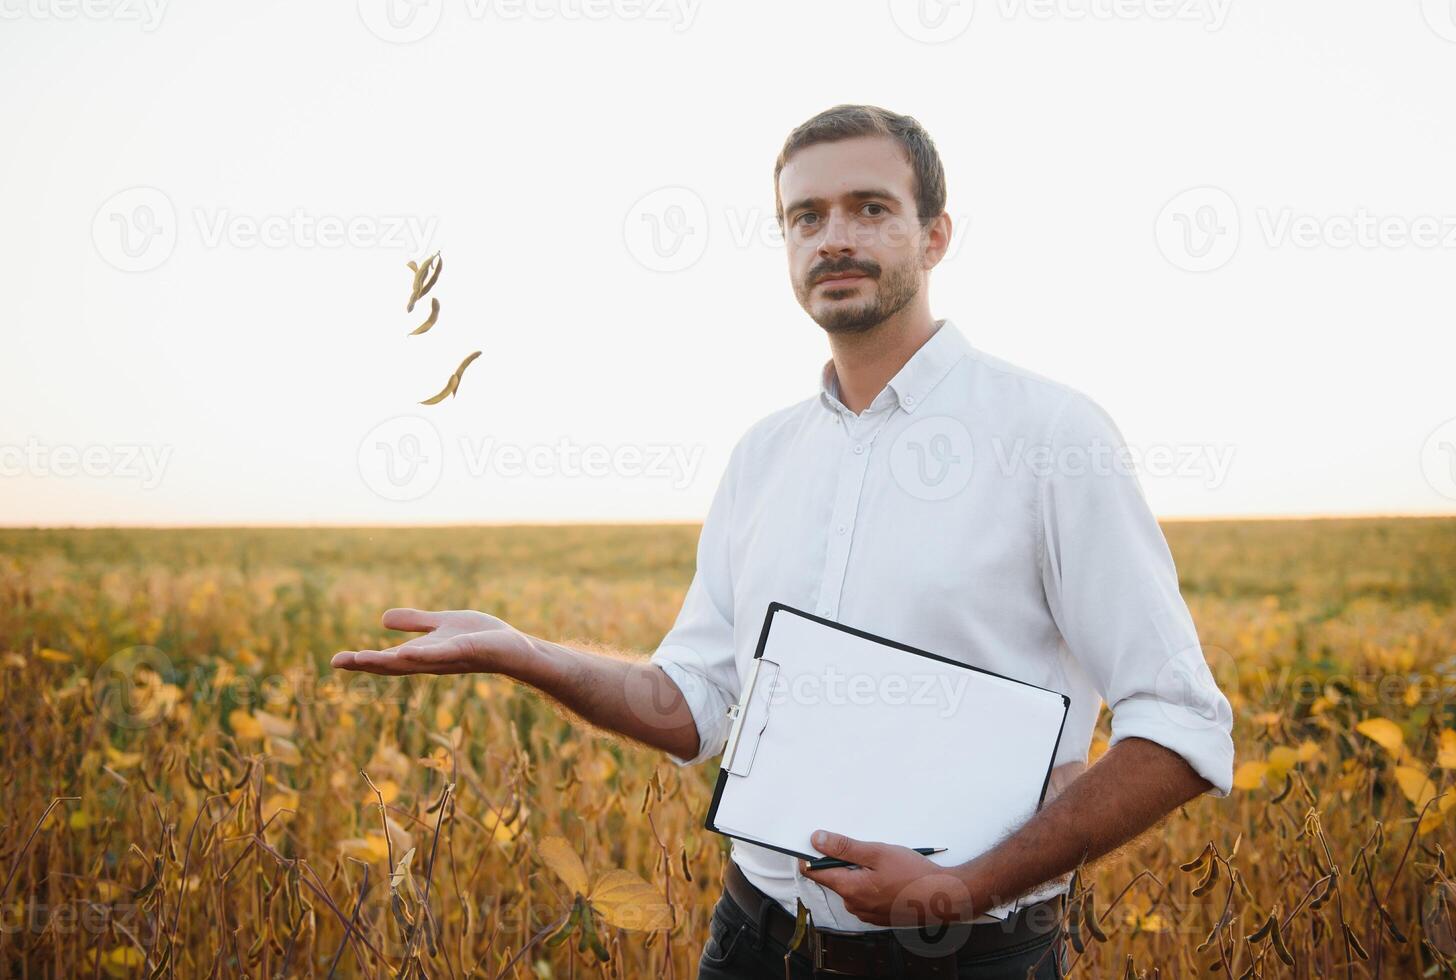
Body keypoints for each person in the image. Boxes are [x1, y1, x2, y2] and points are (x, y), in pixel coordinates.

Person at [331, 103, 1235, 979]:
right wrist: (527, 654)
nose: (833, 237)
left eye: (869, 209)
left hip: (972, 957)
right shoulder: (763, 456)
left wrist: (961, 888)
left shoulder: (1051, 436)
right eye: (806, 216)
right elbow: (696, 704)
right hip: (755, 939)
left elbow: (1180, 725)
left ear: (936, 236)